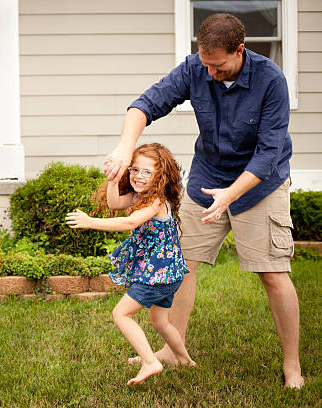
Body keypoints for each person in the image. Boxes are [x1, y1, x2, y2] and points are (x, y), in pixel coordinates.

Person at [103, 13, 304, 388]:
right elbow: (145, 104)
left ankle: (292, 364)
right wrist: (124, 147)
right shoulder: (196, 67)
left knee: (273, 275)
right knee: (180, 265)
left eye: (218, 65)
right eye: (205, 63)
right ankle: (171, 351)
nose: (209, 72)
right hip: (207, 178)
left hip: (261, 184)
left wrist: (232, 194)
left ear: (239, 51)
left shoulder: (270, 80)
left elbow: (269, 152)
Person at [66, 143, 196, 386]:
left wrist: (89, 221)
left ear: (161, 176)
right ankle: (184, 360)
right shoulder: (140, 196)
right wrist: (115, 178)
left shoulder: (156, 201)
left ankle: (150, 361)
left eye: (147, 172)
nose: (139, 176)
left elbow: (128, 223)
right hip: (169, 273)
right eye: (134, 170)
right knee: (160, 321)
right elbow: (115, 203)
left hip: (157, 275)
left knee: (121, 313)